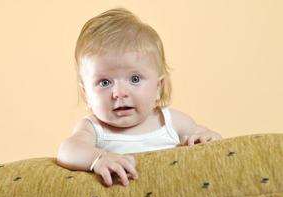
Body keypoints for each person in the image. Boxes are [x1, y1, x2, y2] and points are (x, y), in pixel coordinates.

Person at [56, 7, 222, 187]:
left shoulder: (172, 122)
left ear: (158, 87)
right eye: (104, 82)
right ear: (86, 94)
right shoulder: (93, 129)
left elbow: (206, 136)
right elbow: (67, 150)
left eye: (135, 79)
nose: (119, 93)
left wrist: (207, 138)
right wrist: (99, 159)